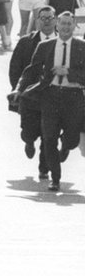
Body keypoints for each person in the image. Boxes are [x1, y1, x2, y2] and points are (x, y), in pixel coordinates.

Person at [12, 12, 85, 192]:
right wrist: (18, 89)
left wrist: (68, 73)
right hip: (50, 96)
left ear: (74, 25)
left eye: (69, 24)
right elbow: (30, 71)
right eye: (63, 24)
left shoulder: (82, 47)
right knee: (49, 137)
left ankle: (66, 146)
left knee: (72, 139)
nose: (66, 27)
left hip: (73, 97)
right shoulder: (45, 46)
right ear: (57, 26)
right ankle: (55, 178)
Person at [8, 5, 58, 180]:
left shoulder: (62, 42)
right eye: (42, 18)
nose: (46, 22)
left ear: (55, 20)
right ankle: (29, 141)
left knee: (49, 135)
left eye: (50, 18)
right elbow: (15, 69)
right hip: (30, 98)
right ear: (37, 21)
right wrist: (18, 91)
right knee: (29, 131)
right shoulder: (26, 42)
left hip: (53, 99)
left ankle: (44, 167)